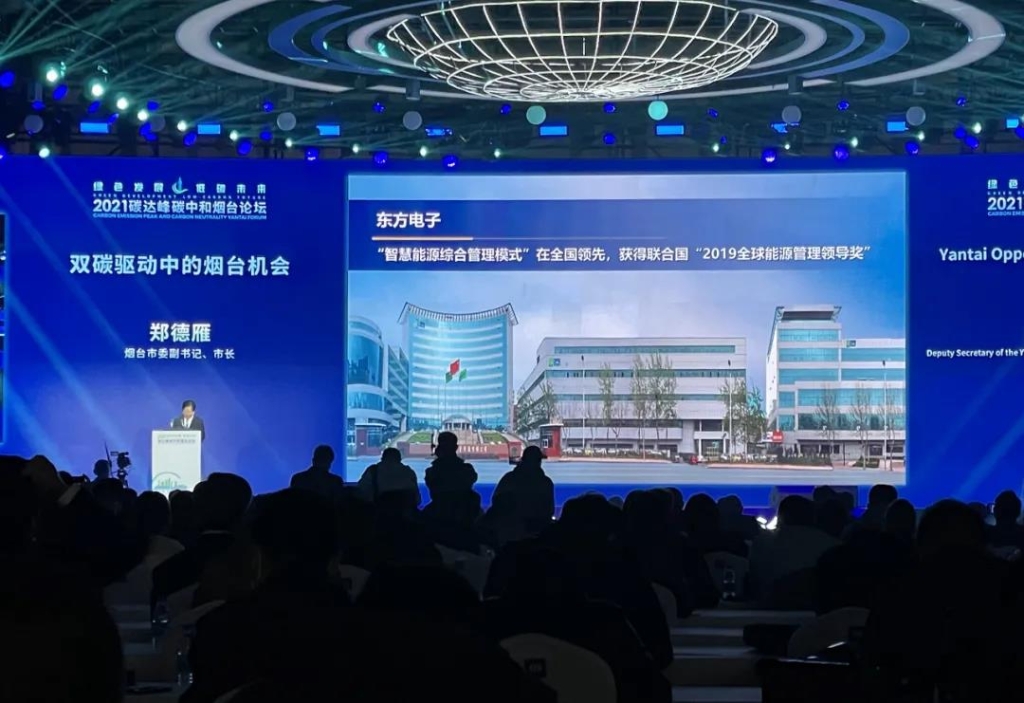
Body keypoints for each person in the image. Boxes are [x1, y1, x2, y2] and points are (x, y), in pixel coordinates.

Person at [491, 445, 555, 532]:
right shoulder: (546, 482)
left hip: (510, 529)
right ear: (538, 461)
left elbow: (496, 501)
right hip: (537, 531)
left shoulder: (509, 478)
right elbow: (549, 510)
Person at [424, 431, 477, 501]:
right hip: (464, 507)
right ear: (456, 447)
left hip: (440, 507)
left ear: (438, 449)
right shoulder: (468, 470)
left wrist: (439, 458)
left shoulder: (431, 472)